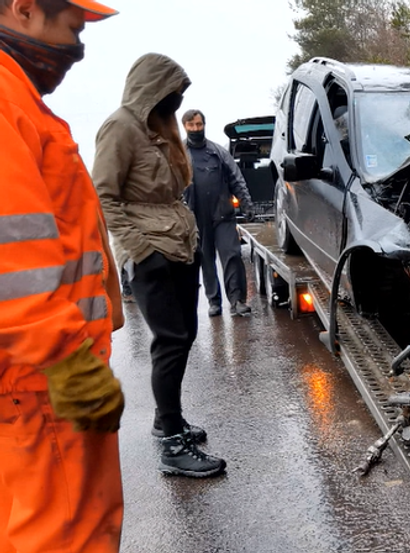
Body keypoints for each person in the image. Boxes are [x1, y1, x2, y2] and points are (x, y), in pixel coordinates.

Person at [0, 0, 126, 551]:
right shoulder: (5, 102)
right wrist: (68, 363)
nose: (78, 48)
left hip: (41, 381)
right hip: (42, 386)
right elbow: (12, 260)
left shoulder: (19, 100)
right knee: (66, 536)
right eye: (74, 28)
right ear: (23, 8)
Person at [93, 53, 226, 478]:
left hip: (179, 244)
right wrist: (139, 250)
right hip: (150, 250)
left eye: (179, 96)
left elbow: (173, 190)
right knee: (169, 341)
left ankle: (166, 418)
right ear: (151, 89)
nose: (175, 103)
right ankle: (172, 444)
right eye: (170, 94)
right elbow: (105, 197)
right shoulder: (120, 127)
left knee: (184, 336)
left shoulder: (161, 129)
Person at [181, 109, 253, 317]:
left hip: (222, 214)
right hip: (195, 217)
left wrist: (246, 205)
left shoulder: (218, 152)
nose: (195, 129)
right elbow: (170, 186)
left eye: (198, 125)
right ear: (184, 126)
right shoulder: (178, 154)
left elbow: (236, 178)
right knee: (205, 261)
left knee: (232, 256)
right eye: (191, 125)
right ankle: (214, 301)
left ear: (204, 125)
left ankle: (237, 300)